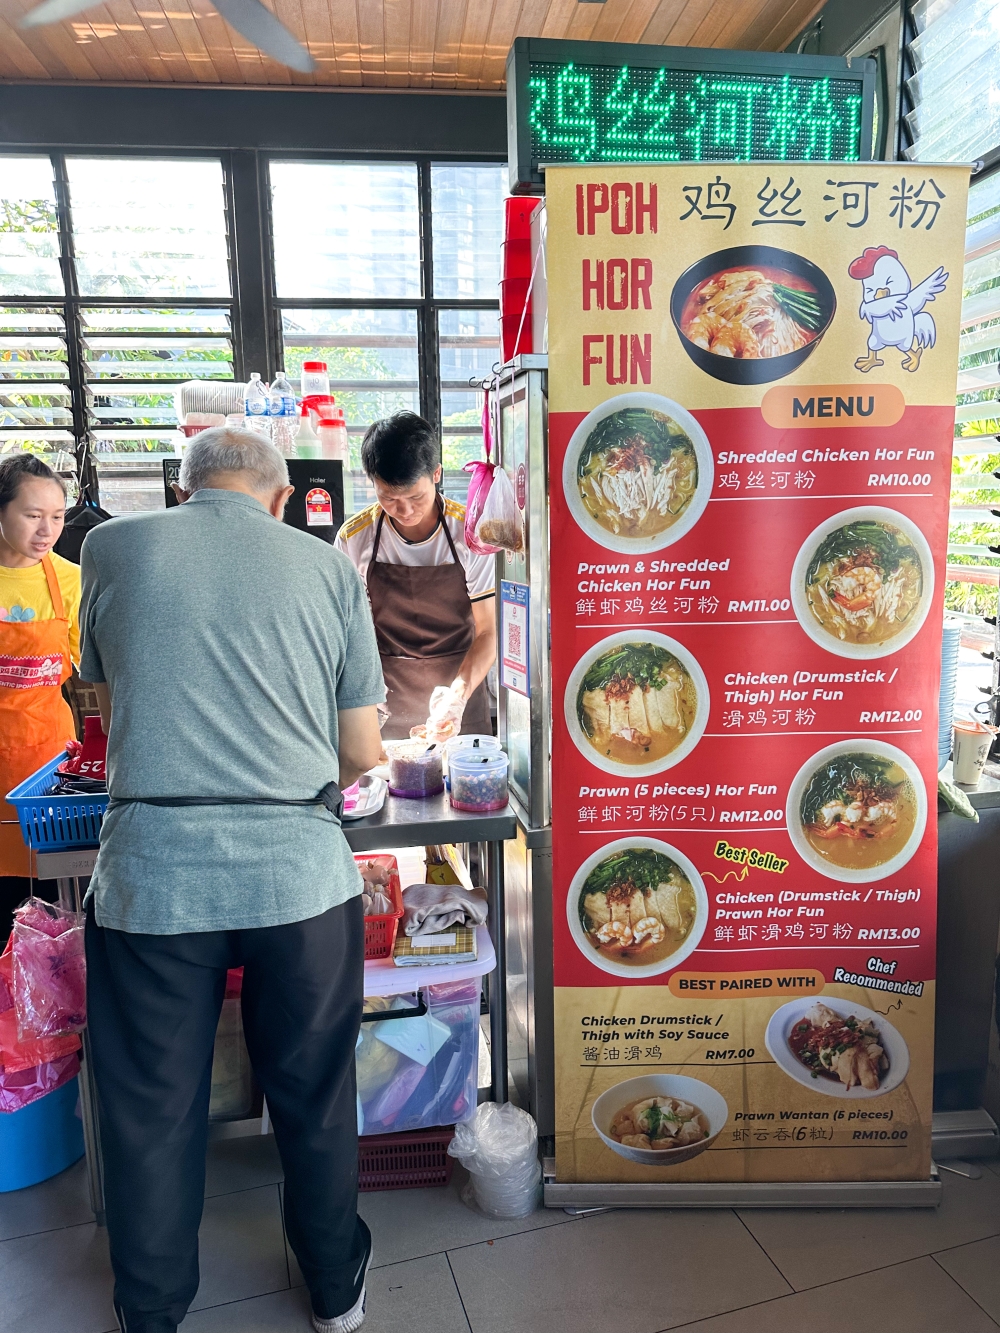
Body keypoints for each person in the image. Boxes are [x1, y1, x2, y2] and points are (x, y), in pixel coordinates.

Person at [78, 428, 385, 1333]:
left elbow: (101, 698)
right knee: (315, 1089)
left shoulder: (109, 546)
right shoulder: (327, 566)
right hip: (299, 877)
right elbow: (362, 748)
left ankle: (152, 1310)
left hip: (151, 878)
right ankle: (335, 1293)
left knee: (148, 1106)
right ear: (283, 498)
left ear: (182, 490)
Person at [335, 412, 496, 740]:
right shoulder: (355, 539)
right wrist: (364, 693)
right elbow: (351, 633)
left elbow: (489, 631)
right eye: (389, 498)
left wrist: (456, 698)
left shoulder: (471, 534)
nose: (405, 511)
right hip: (386, 702)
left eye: (415, 497)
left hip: (461, 693)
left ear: (436, 474)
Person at [0, 454, 80, 936]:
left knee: (53, 902)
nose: (46, 530)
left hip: (46, 764)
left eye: (57, 516)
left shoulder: (68, 578)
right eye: (33, 516)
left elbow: (88, 667)